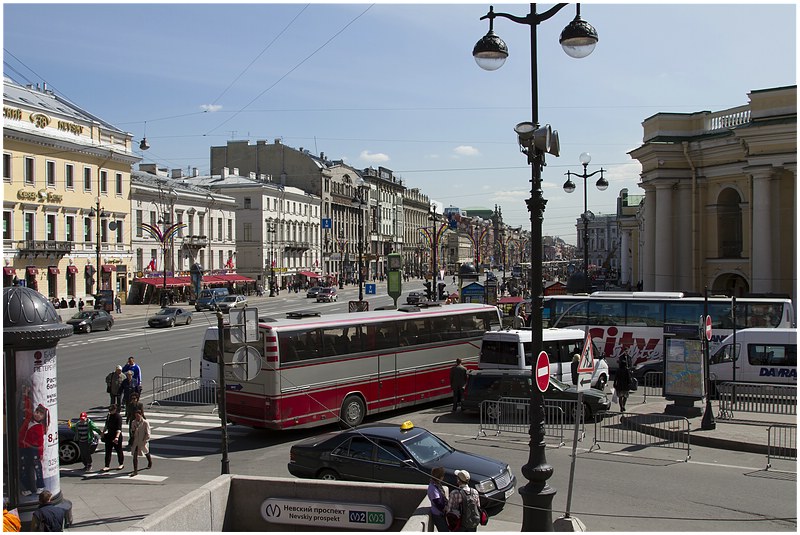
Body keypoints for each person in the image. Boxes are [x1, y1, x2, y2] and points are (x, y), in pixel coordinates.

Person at [18, 401, 48, 496]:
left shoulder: (39, 427)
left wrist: (40, 453)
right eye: (37, 412)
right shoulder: (28, 420)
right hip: (23, 448)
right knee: (23, 468)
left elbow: (40, 442)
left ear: (43, 417)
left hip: (33, 449)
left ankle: (40, 486)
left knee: (37, 468)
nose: (38, 415)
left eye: (41, 414)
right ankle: (27, 488)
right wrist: (26, 396)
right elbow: (27, 408)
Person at [129, 410, 152, 477]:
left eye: (138, 416)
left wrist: (145, 441)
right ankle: (135, 470)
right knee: (135, 456)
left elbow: (148, 433)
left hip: (142, 441)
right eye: (135, 416)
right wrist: (133, 431)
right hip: (136, 441)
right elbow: (132, 431)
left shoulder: (145, 422)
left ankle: (150, 462)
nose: (137, 417)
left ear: (141, 415)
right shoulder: (133, 422)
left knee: (146, 452)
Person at [101, 404, 124, 471]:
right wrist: (103, 432)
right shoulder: (109, 416)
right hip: (109, 435)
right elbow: (106, 425)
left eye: (111, 410)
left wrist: (116, 437)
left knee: (119, 450)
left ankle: (121, 464)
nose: (110, 411)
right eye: (109, 410)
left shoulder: (118, 417)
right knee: (108, 451)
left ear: (115, 410)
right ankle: (107, 466)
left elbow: (119, 428)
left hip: (116, 436)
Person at [427, 467, 449, 532]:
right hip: (438, 514)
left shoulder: (437, 484)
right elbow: (437, 502)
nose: (443, 477)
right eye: (442, 476)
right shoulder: (433, 488)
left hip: (441, 513)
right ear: (440, 477)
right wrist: (445, 508)